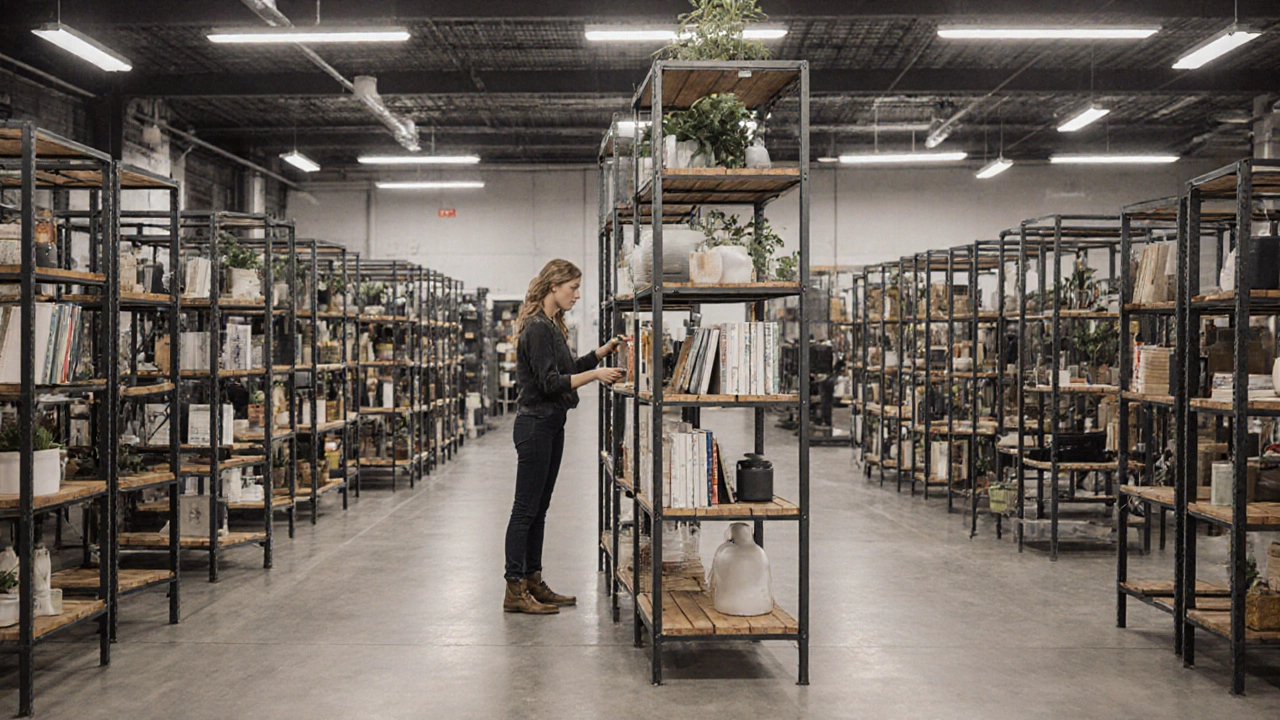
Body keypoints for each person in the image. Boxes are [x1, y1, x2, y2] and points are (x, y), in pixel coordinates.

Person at [503, 259, 623, 614]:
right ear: (554, 286)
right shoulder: (538, 328)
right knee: (525, 509)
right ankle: (514, 589)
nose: (576, 294)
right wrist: (597, 375)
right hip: (535, 426)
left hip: (551, 424)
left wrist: (600, 353)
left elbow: (565, 370)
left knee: (539, 509)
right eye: (572, 287)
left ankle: (532, 581)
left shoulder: (552, 325)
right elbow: (549, 383)